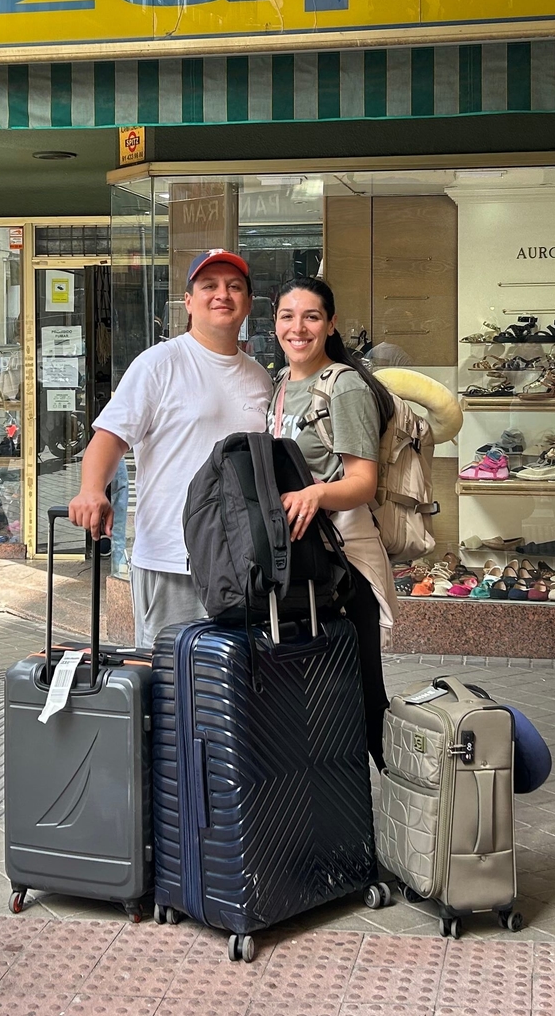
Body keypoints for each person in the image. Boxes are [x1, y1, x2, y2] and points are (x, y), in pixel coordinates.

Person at [69, 249, 273, 648]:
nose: (222, 294)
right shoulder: (160, 363)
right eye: (209, 286)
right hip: (171, 559)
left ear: (248, 303)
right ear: (188, 302)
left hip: (243, 565)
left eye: (234, 287)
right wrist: (91, 490)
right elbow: (109, 438)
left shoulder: (259, 378)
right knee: (170, 677)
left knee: (235, 680)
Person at [270, 276, 396, 767]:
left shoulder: (343, 387)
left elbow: (363, 482)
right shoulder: (281, 386)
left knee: (363, 696)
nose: (298, 328)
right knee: (322, 699)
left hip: (344, 562)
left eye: (311, 317)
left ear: (331, 324)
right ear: (274, 323)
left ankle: (404, 797)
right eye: (288, 316)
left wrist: (316, 493)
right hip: (304, 562)